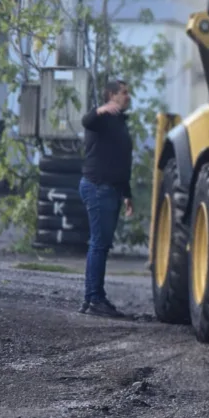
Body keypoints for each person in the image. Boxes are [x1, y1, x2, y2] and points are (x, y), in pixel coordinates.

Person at [78, 80, 134, 318]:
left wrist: (127, 194)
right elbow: (86, 121)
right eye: (124, 93)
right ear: (111, 95)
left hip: (111, 189)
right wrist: (99, 109)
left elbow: (121, 160)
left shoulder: (119, 122)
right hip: (98, 187)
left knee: (101, 244)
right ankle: (94, 299)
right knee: (99, 244)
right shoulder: (101, 118)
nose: (128, 96)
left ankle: (93, 298)